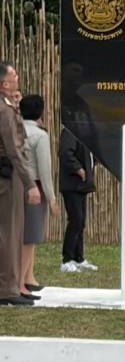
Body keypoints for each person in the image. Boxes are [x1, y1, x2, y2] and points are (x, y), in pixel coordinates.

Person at [0, 61, 37, 305]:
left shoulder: (7, 106)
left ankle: (12, 285)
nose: (17, 78)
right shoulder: (4, 110)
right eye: (13, 76)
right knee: (9, 233)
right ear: (4, 83)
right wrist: (30, 183)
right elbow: (14, 149)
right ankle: (7, 288)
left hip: (8, 174)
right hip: (7, 177)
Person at [19, 94, 54, 295]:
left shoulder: (15, 131)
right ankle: (22, 282)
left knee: (23, 234)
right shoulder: (40, 135)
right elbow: (44, 170)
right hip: (35, 188)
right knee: (30, 237)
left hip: (17, 186)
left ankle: (29, 277)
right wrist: (51, 198)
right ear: (40, 112)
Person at [57, 123, 96, 273]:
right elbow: (66, 153)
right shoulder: (70, 131)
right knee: (76, 220)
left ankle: (78, 257)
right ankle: (66, 259)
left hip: (81, 185)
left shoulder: (85, 133)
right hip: (72, 184)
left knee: (81, 222)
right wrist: (79, 169)